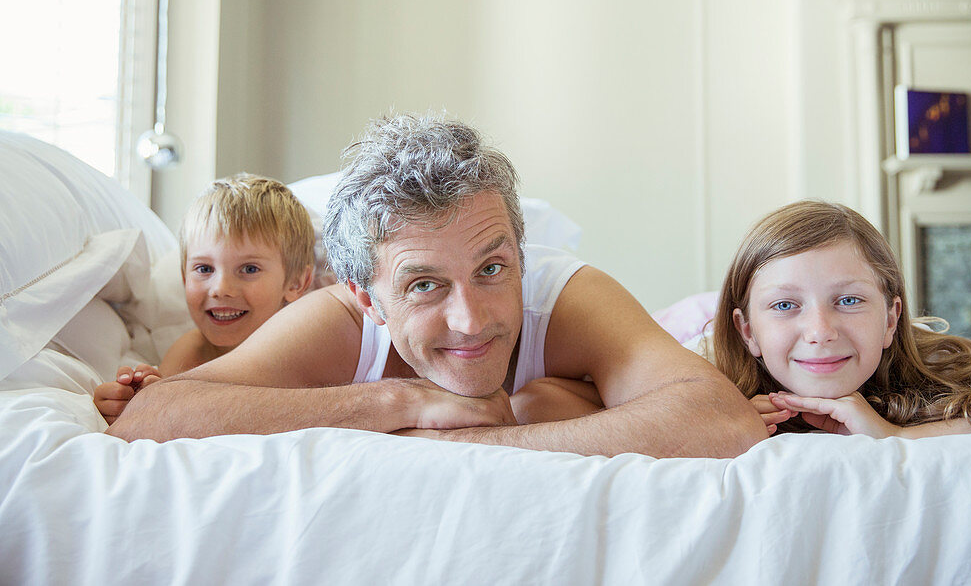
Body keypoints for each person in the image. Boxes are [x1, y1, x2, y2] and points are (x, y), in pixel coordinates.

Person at [107, 113, 767, 458]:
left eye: (491, 268)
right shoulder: (342, 325)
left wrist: (482, 437)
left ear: (520, 251)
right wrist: (401, 402)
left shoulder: (560, 294)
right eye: (423, 284)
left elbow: (721, 419)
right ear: (368, 298)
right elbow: (153, 417)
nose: (471, 318)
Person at [704, 199, 971, 437]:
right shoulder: (706, 387)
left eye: (848, 300)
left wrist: (897, 436)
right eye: (785, 306)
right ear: (747, 330)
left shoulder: (928, 373)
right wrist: (720, 428)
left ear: (891, 320)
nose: (820, 332)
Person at [94, 174, 315, 424]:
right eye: (204, 269)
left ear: (296, 283)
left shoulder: (305, 345)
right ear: (184, 277)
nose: (220, 289)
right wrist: (131, 401)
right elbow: (158, 413)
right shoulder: (193, 352)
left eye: (249, 269)